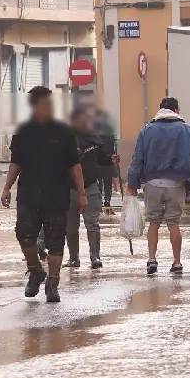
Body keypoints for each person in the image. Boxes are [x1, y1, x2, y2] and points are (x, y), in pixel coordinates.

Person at [0, 86, 86, 303]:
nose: (49, 106)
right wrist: (6, 187)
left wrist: (82, 193)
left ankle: (53, 285)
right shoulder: (23, 131)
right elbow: (16, 162)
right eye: (44, 102)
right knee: (24, 235)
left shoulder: (63, 132)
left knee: (56, 242)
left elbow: (74, 165)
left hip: (57, 196)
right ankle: (36, 271)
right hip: (29, 195)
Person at [126, 97, 190, 277]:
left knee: (154, 222)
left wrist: (132, 184)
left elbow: (137, 159)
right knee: (173, 223)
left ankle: (152, 259)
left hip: (152, 184)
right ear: (177, 111)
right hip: (176, 184)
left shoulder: (147, 131)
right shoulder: (189, 130)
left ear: (159, 111)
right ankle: (177, 262)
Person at [70, 108, 118, 269]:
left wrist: (110, 159)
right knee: (71, 226)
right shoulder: (65, 140)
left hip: (90, 186)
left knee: (92, 223)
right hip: (69, 188)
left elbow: (102, 159)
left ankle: (95, 257)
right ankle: (73, 258)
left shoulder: (95, 138)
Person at [92, 107, 119, 213]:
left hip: (98, 163)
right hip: (108, 162)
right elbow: (113, 148)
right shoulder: (110, 133)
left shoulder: (94, 133)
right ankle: (107, 202)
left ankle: (99, 204)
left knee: (98, 184)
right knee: (107, 184)